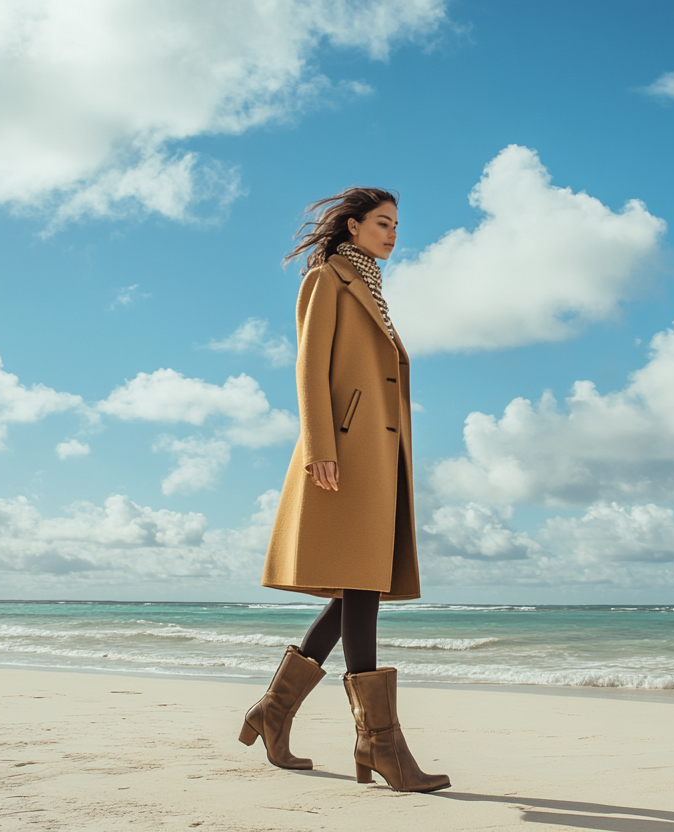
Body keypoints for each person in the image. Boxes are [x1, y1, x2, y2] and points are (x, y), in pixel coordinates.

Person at [237, 187, 449, 793]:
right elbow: (310, 366)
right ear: (352, 226)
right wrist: (323, 448)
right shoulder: (328, 279)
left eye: (397, 225)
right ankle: (379, 746)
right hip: (346, 455)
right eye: (383, 223)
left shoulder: (370, 287)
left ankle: (274, 713)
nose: (393, 234)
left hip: (378, 457)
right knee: (361, 585)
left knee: (361, 586)